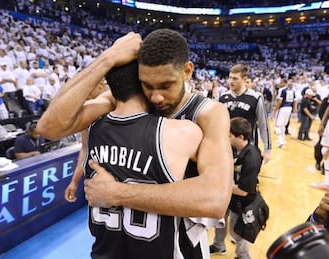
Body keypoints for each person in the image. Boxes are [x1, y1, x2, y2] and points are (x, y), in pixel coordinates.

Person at [38, 29, 232, 229]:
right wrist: (107, 58)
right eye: (147, 85)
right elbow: (49, 127)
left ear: (187, 71)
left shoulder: (208, 113)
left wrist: (117, 193)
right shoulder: (128, 100)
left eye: (166, 85)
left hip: (181, 245)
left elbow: (215, 199)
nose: (156, 97)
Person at [83, 59, 206, 258]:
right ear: (145, 84)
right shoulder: (182, 132)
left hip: (103, 251)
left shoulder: (92, 128)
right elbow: (215, 193)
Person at [210, 117, 263, 259]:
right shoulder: (233, 148)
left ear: (240, 137)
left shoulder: (252, 157)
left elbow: (244, 191)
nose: (226, 138)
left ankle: (243, 255)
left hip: (241, 201)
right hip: (228, 196)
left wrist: (218, 185)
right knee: (219, 222)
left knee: (238, 231)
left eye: (229, 135)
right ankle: (218, 246)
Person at [219, 64, 272, 163]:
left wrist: (267, 149)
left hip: (248, 147)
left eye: (235, 78)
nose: (231, 81)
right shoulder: (222, 97)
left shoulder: (255, 98)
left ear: (244, 79)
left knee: (247, 177)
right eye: (230, 78)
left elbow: (263, 125)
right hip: (227, 147)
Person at [273, 78, 297, 148]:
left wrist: (275, 110)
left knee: (277, 125)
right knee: (283, 125)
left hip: (283, 108)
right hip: (289, 108)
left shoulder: (282, 90)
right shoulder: (292, 90)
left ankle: (280, 141)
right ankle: (283, 140)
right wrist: (295, 110)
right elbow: (295, 101)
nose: (280, 84)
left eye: (281, 83)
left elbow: (279, 101)